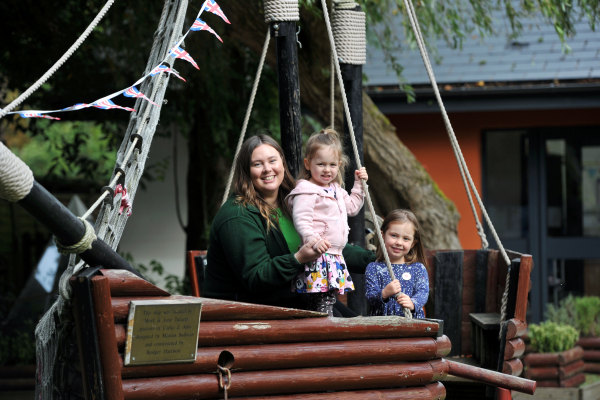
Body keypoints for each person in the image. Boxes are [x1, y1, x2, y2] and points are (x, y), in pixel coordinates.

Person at [202, 134, 374, 311]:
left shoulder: (294, 201)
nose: (267, 169)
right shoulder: (237, 216)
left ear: (282, 164)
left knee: (365, 328)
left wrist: (378, 260)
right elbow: (256, 278)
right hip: (250, 310)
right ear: (246, 170)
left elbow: (330, 248)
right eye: (257, 164)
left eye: (272, 161)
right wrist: (298, 258)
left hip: (294, 300)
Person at [286, 129, 368, 316]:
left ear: (339, 165)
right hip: (318, 253)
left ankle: (326, 317)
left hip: (334, 255)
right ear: (308, 164)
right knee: (322, 298)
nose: (327, 169)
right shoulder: (307, 191)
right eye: (321, 164)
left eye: (332, 165)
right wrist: (312, 239)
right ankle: (325, 321)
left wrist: (359, 185)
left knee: (329, 297)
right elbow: (302, 221)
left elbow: (353, 207)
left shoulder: (336, 190)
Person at [364, 209, 429, 317]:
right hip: (382, 327)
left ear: (413, 243)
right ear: (382, 235)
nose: (399, 242)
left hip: (411, 326)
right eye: (394, 235)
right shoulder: (374, 268)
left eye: (406, 239)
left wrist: (412, 303)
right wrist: (384, 293)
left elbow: (423, 293)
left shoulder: (417, 268)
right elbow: (370, 296)